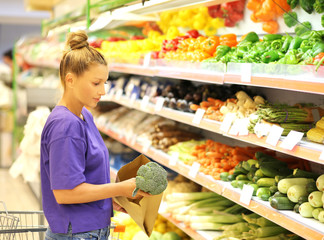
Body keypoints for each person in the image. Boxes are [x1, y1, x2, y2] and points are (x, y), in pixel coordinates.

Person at [40, 30, 149, 240]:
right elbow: (65, 193)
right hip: (76, 233)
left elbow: (89, 171)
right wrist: (119, 188)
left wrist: (114, 196)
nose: (103, 91)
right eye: (96, 83)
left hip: (90, 229)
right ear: (70, 80)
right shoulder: (65, 126)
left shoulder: (84, 116)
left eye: (105, 83)